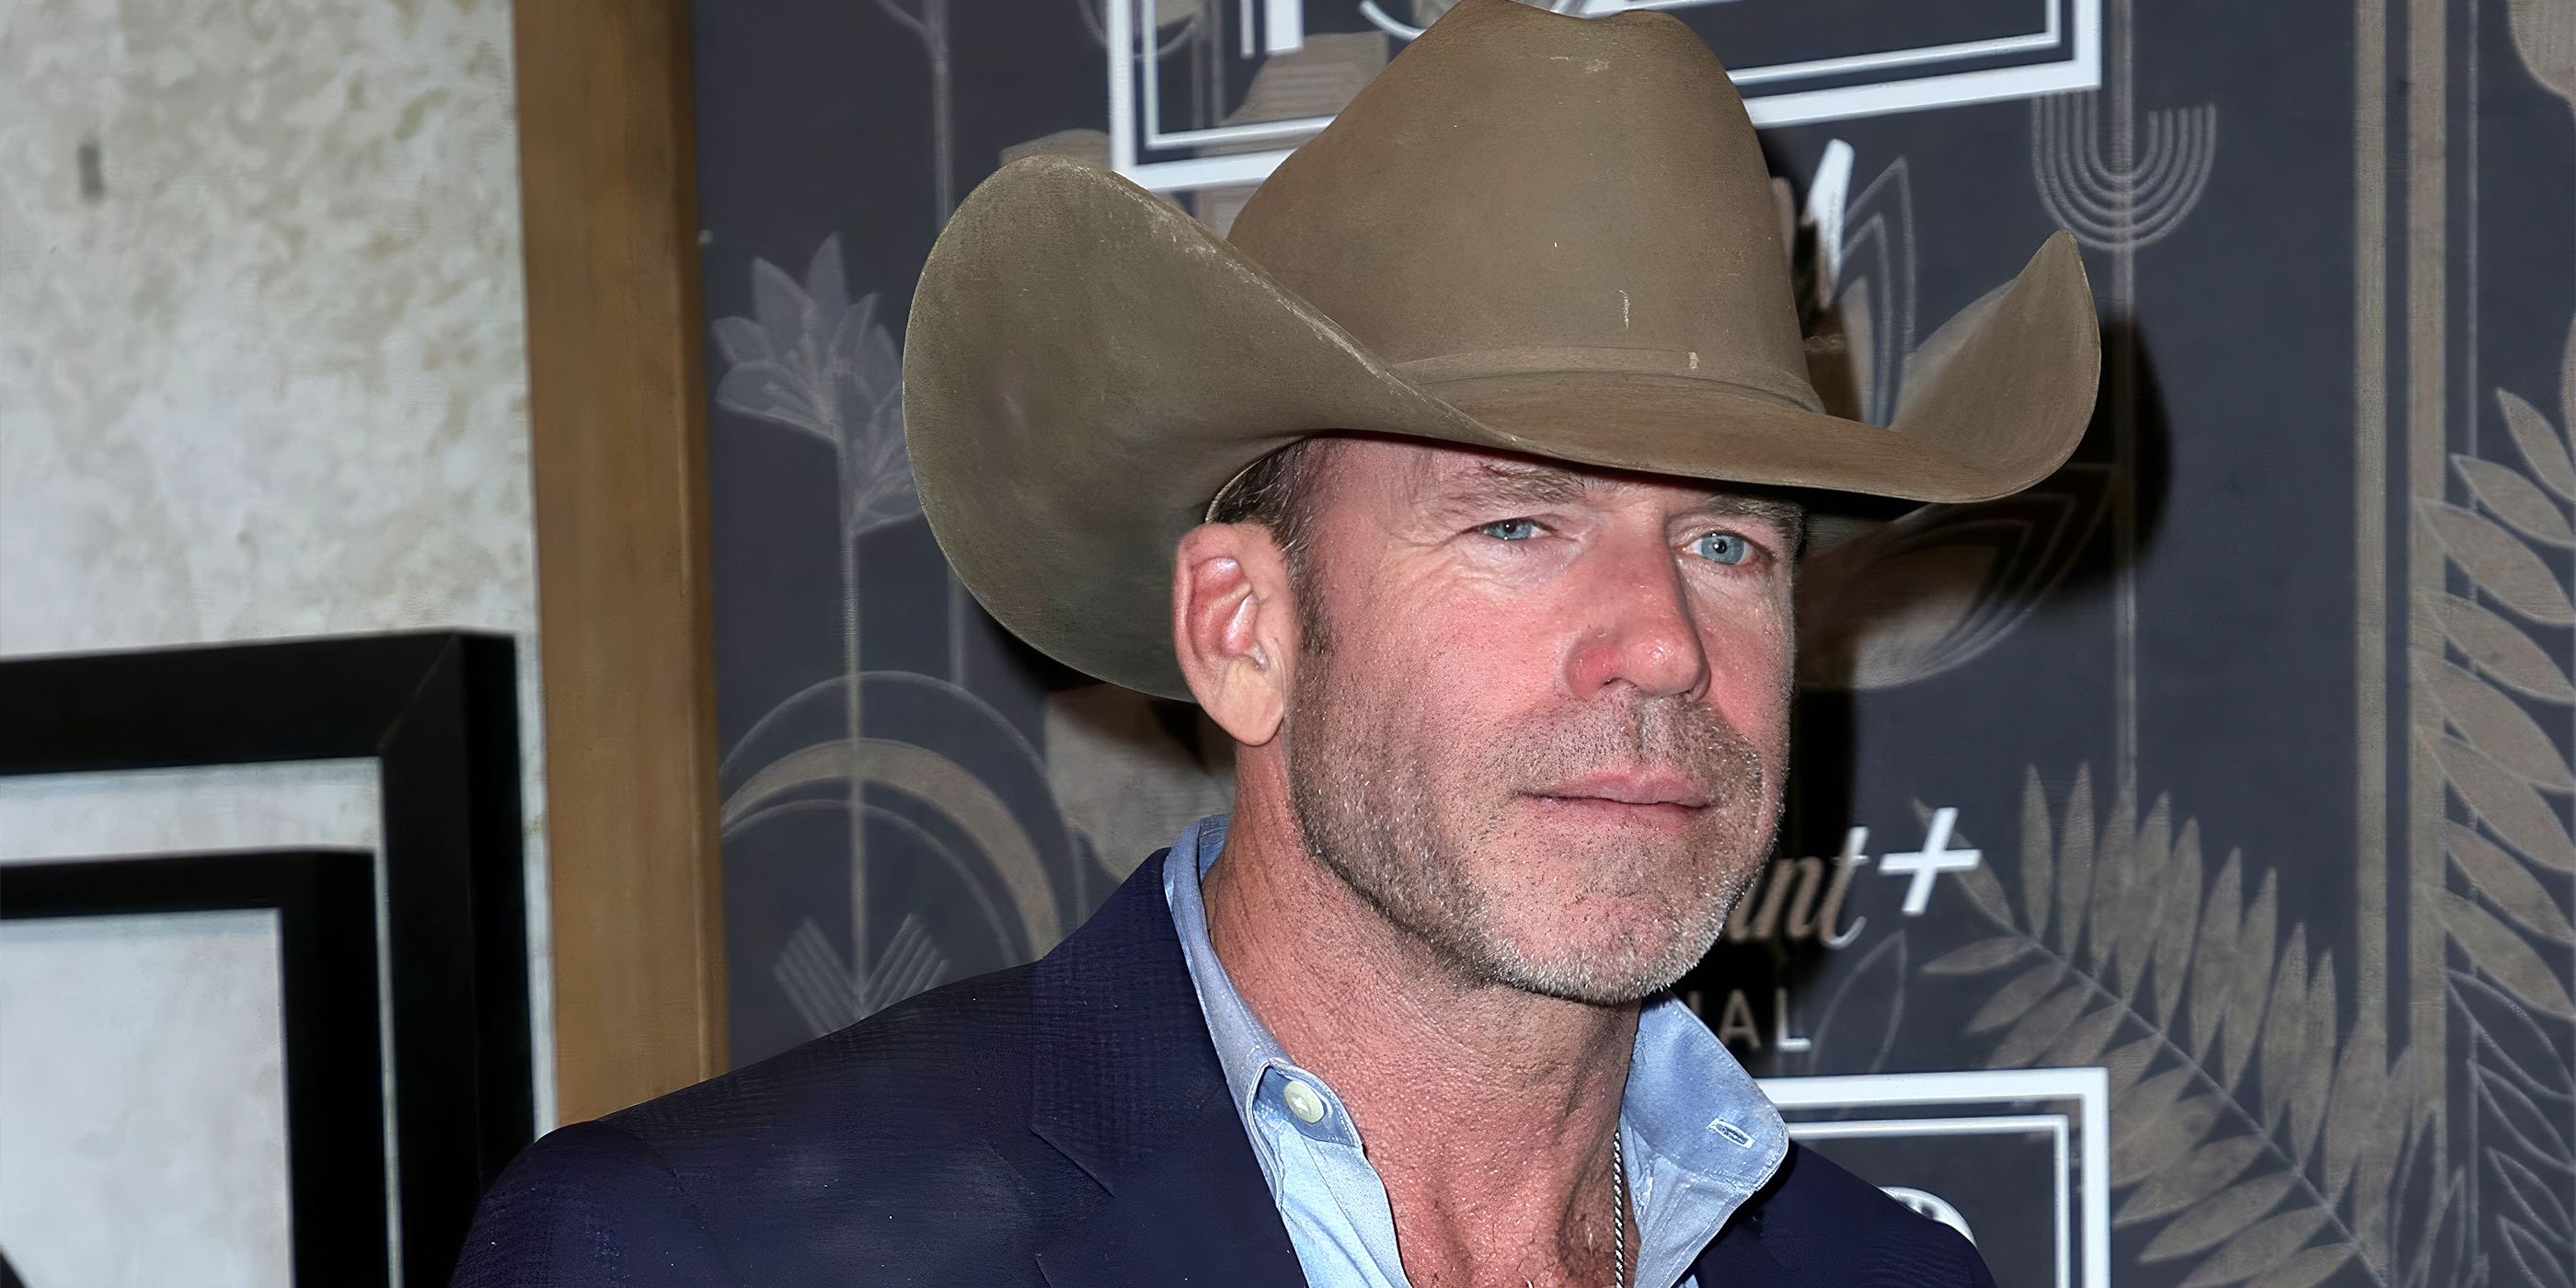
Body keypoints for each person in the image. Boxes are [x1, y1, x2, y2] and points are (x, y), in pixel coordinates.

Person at [451, 0, 2097, 1283]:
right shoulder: (701, 1257)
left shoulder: (1882, 1276)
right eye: (1517, 524)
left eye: (1728, 542)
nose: (1662, 645)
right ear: (1246, 630)